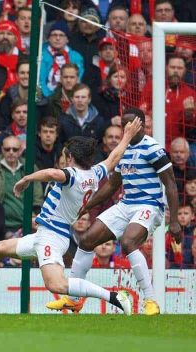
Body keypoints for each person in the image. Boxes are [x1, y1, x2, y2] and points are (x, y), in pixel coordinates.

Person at [0, 119, 143, 315]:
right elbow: (113, 158)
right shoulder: (94, 173)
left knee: (56, 284)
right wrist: (127, 136)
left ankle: (115, 297)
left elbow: (52, 173)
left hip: (51, 237)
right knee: (2, 248)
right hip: (48, 233)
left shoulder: (73, 174)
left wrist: (26, 179)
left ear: (70, 157)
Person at [48, 108, 181, 315]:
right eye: (124, 124)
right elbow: (111, 186)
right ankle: (73, 300)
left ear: (141, 125)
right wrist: (86, 207)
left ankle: (151, 301)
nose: (127, 127)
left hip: (149, 205)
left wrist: (174, 221)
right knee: (86, 240)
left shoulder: (153, 149)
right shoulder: (123, 150)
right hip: (126, 204)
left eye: (131, 123)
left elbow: (171, 184)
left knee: (128, 243)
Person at [0, 136, 43, 233]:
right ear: (2, 149)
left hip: (28, 225)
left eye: (15, 149)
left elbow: (37, 197)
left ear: (20, 150)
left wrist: (35, 214)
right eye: (7, 149)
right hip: (2, 226)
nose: (11, 152)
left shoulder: (30, 167)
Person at [40, 20, 84, 98]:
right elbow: (40, 81)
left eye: (61, 35)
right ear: (49, 38)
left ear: (67, 39)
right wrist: (50, 97)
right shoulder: (41, 55)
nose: (57, 38)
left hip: (70, 97)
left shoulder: (76, 57)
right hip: (46, 98)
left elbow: (77, 80)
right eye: (54, 35)